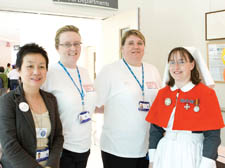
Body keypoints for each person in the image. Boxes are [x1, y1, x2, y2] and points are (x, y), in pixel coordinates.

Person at [146, 47, 225, 168]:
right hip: (165, 152)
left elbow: (212, 136)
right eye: (172, 62)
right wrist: (152, 159)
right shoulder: (163, 93)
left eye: (181, 61)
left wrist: (206, 163)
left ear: (192, 64)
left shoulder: (206, 93)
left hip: (192, 153)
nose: (176, 67)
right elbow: (155, 130)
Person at [94, 29, 162, 168]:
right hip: (117, 147)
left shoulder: (152, 70)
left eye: (140, 43)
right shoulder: (110, 70)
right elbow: (95, 104)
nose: (136, 46)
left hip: (146, 145)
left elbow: (159, 104)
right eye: (130, 43)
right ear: (122, 48)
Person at [0, 43, 64, 168]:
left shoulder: (51, 100)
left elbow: (58, 137)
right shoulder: (7, 101)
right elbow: (9, 144)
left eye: (41, 66)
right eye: (30, 66)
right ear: (19, 70)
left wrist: (51, 165)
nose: (36, 72)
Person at [42, 25, 96, 168]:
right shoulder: (49, 73)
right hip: (62, 148)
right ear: (57, 47)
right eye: (67, 44)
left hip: (84, 145)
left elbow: (89, 103)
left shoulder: (84, 72)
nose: (73, 48)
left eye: (77, 43)